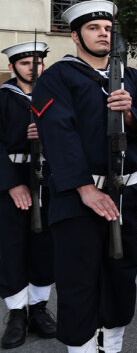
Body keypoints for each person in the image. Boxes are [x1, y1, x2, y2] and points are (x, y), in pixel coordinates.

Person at [33, 0, 137, 353]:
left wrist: (130, 114)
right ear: (75, 36)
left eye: (107, 28)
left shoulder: (131, 77)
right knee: (78, 281)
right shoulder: (58, 78)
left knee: (121, 277)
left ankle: (113, 345)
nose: (103, 33)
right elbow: (59, 136)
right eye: (93, 28)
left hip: (125, 194)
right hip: (78, 199)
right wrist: (86, 189)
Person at [0, 42, 56, 349]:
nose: (32, 68)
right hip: (12, 179)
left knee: (44, 245)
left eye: (37, 62)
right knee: (11, 247)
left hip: (49, 179)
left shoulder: (55, 97)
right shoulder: (3, 98)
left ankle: (39, 309)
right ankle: (17, 314)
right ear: (13, 67)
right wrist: (11, 184)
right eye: (25, 63)